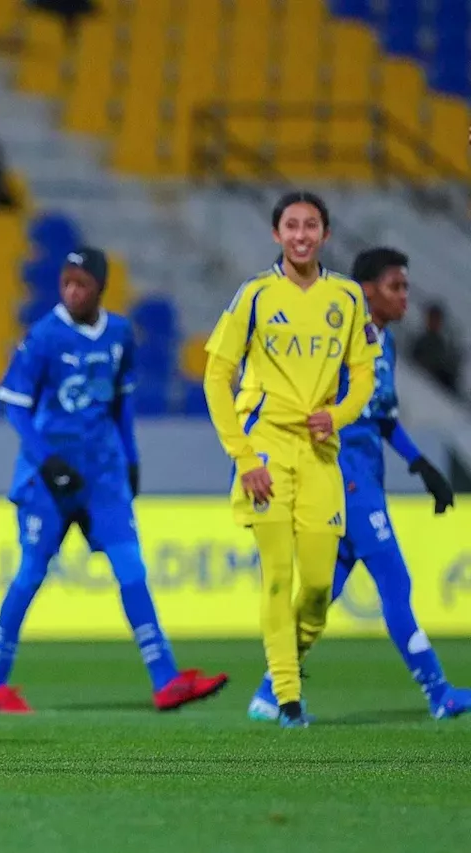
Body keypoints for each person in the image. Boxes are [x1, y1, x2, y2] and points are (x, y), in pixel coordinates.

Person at [0, 248, 229, 714]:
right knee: (31, 573)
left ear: (100, 288)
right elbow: (15, 405)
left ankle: (166, 679)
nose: (72, 291)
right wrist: (47, 460)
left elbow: (122, 405)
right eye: (66, 282)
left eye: (82, 284)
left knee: (131, 570)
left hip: (104, 475)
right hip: (49, 480)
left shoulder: (118, 334)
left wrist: (132, 460)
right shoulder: (44, 337)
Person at [247, 247, 469, 721]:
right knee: (395, 579)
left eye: (406, 286)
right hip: (342, 476)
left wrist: (421, 465)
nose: (405, 296)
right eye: (396, 286)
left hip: (366, 475)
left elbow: (382, 417)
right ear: (367, 291)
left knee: (324, 591)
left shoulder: (383, 344)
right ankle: (439, 691)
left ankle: (270, 692)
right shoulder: (336, 336)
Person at [202, 191, 379, 729]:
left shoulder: (347, 298)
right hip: (267, 450)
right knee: (277, 576)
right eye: (291, 226)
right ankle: (287, 699)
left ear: (325, 234)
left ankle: (285, 670)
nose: (301, 235)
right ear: (276, 234)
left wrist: (340, 415)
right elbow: (216, 377)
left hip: (321, 454)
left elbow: (365, 374)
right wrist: (244, 456)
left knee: (321, 587)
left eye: (311, 226)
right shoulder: (255, 294)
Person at [410, 302, 462, 395]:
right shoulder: (421, 341)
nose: (434, 322)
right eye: (431, 318)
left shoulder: (443, 346)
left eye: (437, 319)